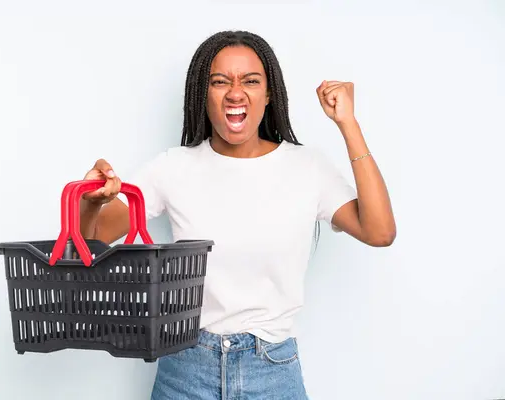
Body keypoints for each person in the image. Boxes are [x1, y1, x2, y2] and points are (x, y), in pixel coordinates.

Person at [79, 30, 396, 400]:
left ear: (269, 93)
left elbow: (379, 231)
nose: (235, 92)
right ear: (204, 94)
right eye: (219, 81)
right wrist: (92, 200)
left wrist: (348, 124)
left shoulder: (307, 167)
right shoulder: (173, 168)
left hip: (272, 373)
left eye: (250, 80)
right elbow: (90, 242)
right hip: (185, 370)